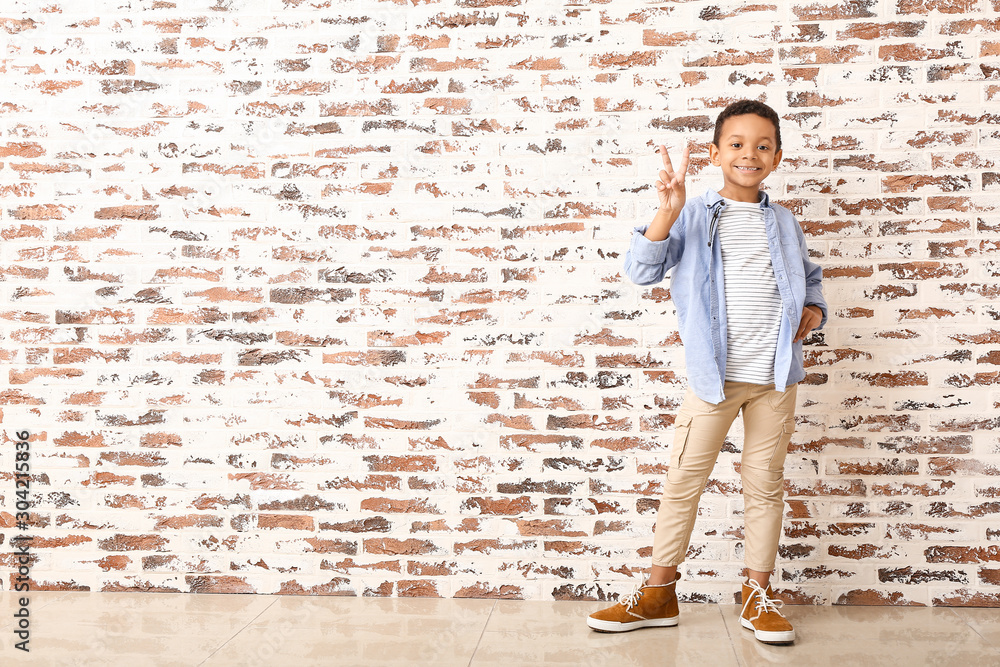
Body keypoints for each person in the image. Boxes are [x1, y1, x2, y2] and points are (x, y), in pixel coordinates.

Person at [586, 100, 827, 644]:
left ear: (778, 157)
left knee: (764, 484)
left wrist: (814, 310)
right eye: (737, 144)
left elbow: (809, 279)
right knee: (683, 481)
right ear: (716, 153)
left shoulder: (784, 222)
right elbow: (642, 271)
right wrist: (667, 211)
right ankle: (657, 594)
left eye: (763, 145)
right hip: (714, 380)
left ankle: (757, 594)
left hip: (775, 378)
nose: (750, 154)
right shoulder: (694, 213)